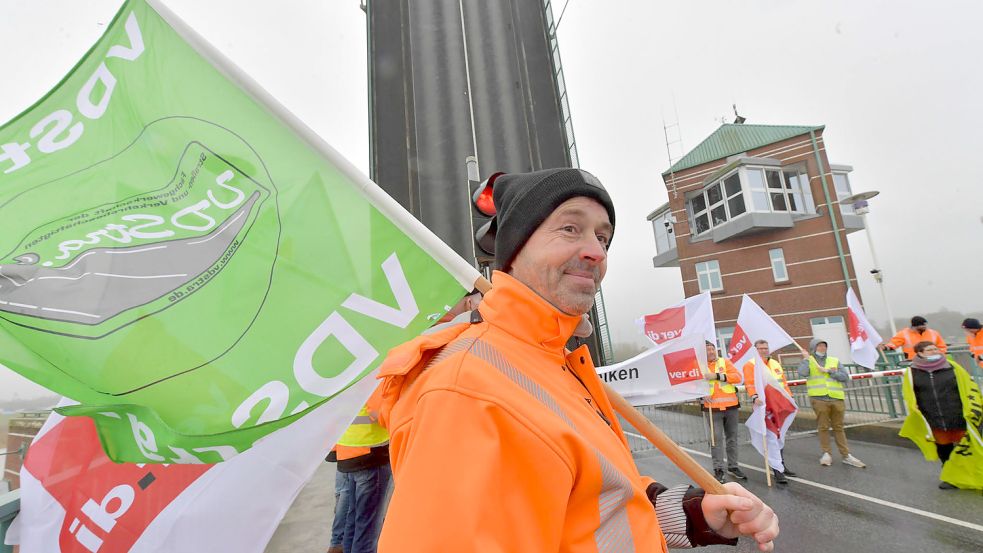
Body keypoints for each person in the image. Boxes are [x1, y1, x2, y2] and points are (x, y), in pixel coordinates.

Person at [373, 168, 779, 552]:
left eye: (603, 238)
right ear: (514, 249)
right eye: (570, 228)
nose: (595, 252)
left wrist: (693, 515)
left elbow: (596, 502)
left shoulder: (557, 364)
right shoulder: (468, 391)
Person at [899, 341, 983, 489]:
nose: (934, 351)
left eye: (935, 348)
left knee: (968, 446)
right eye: (929, 350)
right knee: (944, 448)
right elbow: (910, 394)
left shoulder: (953, 367)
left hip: (957, 414)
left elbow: (969, 388)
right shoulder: (912, 373)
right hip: (933, 417)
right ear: (919, 353)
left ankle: (976, 474)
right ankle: (950, 477)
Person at [795, 339, 866, 468]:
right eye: (819, 346)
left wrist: (830, 371)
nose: (822, 348)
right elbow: (802, 373)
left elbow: (845, 377)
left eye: (824, 346)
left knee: (839, 427)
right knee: (823, 426)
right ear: (813, 348)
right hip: (819, 398)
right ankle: (826, 453)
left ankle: (846, 455)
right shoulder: (809, 361)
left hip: (836, 398)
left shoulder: (834, 360)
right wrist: (806, 359)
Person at [331, 405, 392, 553]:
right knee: (368, 529)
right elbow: (379, 413)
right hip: (370, 454)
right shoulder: (369, 382)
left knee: (353, 523)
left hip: (348, 453)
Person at [742, 339, 797, 484]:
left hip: (780, 405)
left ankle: (782, 465)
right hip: (764, 406)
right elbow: (749, 383)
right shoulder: (751, 365)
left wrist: (790, 398)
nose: (764, 350)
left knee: (780, 435)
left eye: (766, 348)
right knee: (771, 438)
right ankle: (777, 470)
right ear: (755, 349)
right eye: (761, 348)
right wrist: (754, 397)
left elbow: (783, 383)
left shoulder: (775, 364)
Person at [703, 340, 747, 484]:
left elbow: (738, 377)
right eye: (707, 350)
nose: (711, 352)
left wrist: (717, 376)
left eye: (712, 349)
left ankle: (733, 466)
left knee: (732, 438)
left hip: (731, 406)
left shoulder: (724, 362)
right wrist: (700, 394)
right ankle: (718, 469)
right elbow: (690, 384)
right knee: (716, 440)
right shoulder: (698, 366)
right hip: (712, 408)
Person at [883, 316, 947, 360]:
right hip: (913, 361)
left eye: (925, 325)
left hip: (933, 359)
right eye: (922, 325)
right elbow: (894, 343)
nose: (925, 327)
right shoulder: (904, 334)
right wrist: (886, 347)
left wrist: (940, 355)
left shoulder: (933, 333)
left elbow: (942, 346)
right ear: (915, 326)